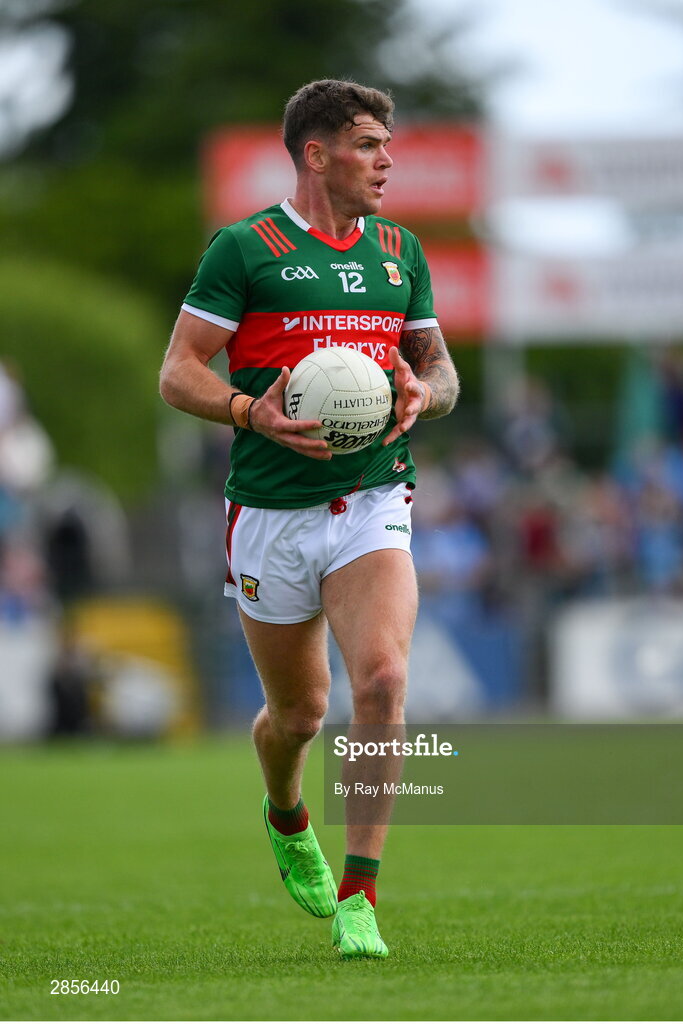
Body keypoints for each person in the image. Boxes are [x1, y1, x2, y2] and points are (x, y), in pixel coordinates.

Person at [159, 78, 459, 960]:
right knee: (298, 715)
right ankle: (287, 813)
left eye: (387, 144)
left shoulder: (401, 250)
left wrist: (421, 392)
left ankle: (361, 894)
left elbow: (439, 372)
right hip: (271, 512)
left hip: (373, 497)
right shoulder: (244, 250)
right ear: (315, 153)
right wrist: (252, 412)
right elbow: (178, 373)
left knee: (382, 682)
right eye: (369, 144)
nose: (387, 159)